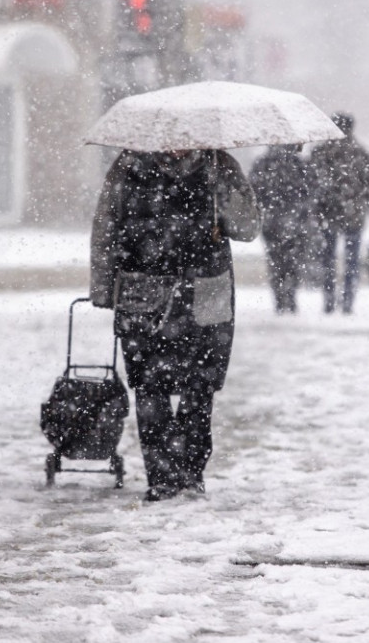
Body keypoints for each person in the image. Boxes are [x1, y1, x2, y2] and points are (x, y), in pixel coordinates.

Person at [90, 149, 260, 502]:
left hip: (203, 294)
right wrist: (103, 288)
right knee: (150, 387)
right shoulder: (128, 166)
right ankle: (164, 477)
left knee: (200, 388)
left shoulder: (218, 164)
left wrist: (226, 198)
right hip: (147, 294)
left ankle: (189, 474)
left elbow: (246, 228)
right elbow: (106, 226)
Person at [309, 112, 369, 314]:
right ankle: (348, 302)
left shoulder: (320, 152)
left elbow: (312, 186)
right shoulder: (360, 153)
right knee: (352, 260)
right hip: (354, 215)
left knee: (328, 259)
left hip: (328, 215)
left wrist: (314, 211)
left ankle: (328, 301)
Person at [249, 144, 312, 313]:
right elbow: (310, 192)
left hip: (270, 222)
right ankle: (290, 297)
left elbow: (252, 192)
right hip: (295, 222)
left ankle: (279, 298)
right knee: (293, 261)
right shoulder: (299, 164)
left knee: (275, 260)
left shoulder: (262, 163)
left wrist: (263, 211)